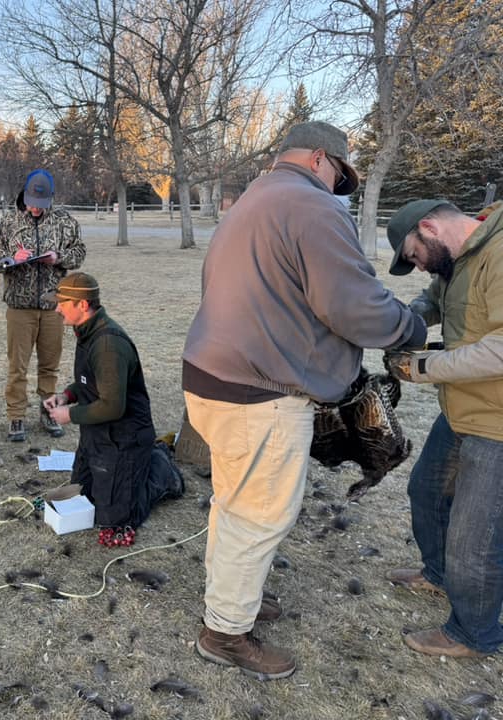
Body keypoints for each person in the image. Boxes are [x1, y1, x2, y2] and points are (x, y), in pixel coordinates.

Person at [181, 120, 427, 680]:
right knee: (259, 514)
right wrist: (408, 327)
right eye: (340, 175)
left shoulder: (254, 199)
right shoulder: (312, 206)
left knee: (233, 503)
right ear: (321, 158)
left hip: (213, 380)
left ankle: (230, 596)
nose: (339, 188)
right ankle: (225, 632)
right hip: (259, 392)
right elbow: (352, 306)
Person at [382, 199, 503, 658]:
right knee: (428, 492)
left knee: (476, 539)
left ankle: (474, 634)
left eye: (414, 254)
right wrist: (406, 321)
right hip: (462, 408)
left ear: (430, 226)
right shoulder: (458, 260)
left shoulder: (499, 251)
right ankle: (438, 575)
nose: (416, 266)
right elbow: (433, 299)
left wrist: (423, 365)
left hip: (497, 422)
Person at [41, 273, 183, 528]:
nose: (57, 308)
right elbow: (89, 381)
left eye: (62, 302)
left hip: (125, 437)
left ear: (82, 305)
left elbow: (112, 406)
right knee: (84, 497)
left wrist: (69, 415)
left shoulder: (108, 345)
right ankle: (136, 471)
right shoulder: (85, 330)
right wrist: (67, 395)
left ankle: (162, 470)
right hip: (98, 434)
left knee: (115, 519)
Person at [0, 169, 85, 443]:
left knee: (49, 365)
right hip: (19, 306)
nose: (35, 209)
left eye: (41, 205)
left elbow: (79, 252)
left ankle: (48, 412)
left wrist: (59, 257)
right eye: (32, 203)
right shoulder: (9, 221)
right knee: (17, 366)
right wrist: (11, 257)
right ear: (25, 195)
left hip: (54, 305)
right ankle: (16, 416)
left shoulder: (65, 222)